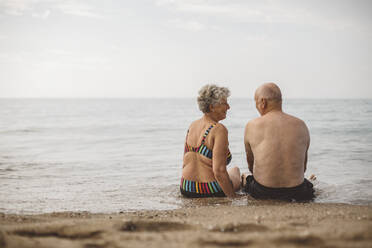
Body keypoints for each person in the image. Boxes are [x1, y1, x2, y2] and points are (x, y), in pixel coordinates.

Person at [242, 82, 315, 201]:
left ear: (262, 102)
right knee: (309, 184)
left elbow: (251, 165)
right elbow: (303, 168)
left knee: (246, 178)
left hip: (264, 192)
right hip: (298, 192)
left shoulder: (252, 125)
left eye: (255, 102)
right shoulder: (301, 125)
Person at [181, 84, 241, 198]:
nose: (228, 107)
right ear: (212, 107)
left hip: (186, 187)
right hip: (209, 190)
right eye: (224, 103)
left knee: (232, 171)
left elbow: (186, 162)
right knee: (236, 171)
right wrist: (233, 198)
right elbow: (219, 171)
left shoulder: (192, 125)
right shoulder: (218, 129)